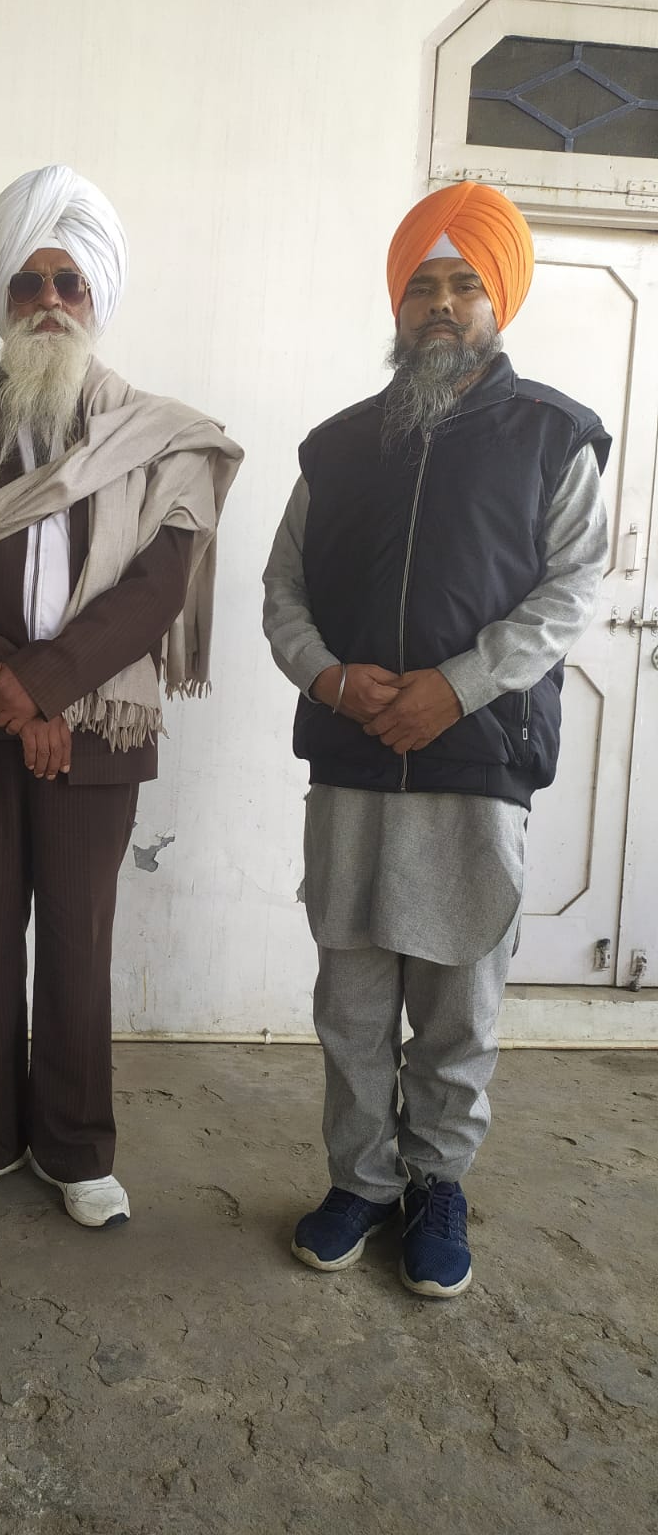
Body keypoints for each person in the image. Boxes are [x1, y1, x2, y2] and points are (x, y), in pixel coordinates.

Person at [263, 181, 609, 1297]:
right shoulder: (337, 449)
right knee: (353, 1000)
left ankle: (437, 1182)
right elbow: (282, 592)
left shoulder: (551, 436)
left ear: (498, 301)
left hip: (477, 762)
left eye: (466, 285)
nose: (444, 305)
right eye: (424, 286)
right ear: (398, 304)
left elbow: (572, 589)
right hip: (354, 759)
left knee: (459, 1003)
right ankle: (360, 1181)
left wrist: (455, 691)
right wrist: (331, 677)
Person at [0, 164, 242, 1228]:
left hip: (101, 717)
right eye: (29, 282)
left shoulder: (154, 430)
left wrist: (47, 689)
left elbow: (160, 584)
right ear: (3, 298)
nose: (49, 300)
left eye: (69, 283)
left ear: (97, 297)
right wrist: (15, 698)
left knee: (80, 939)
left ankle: (77, 1148)